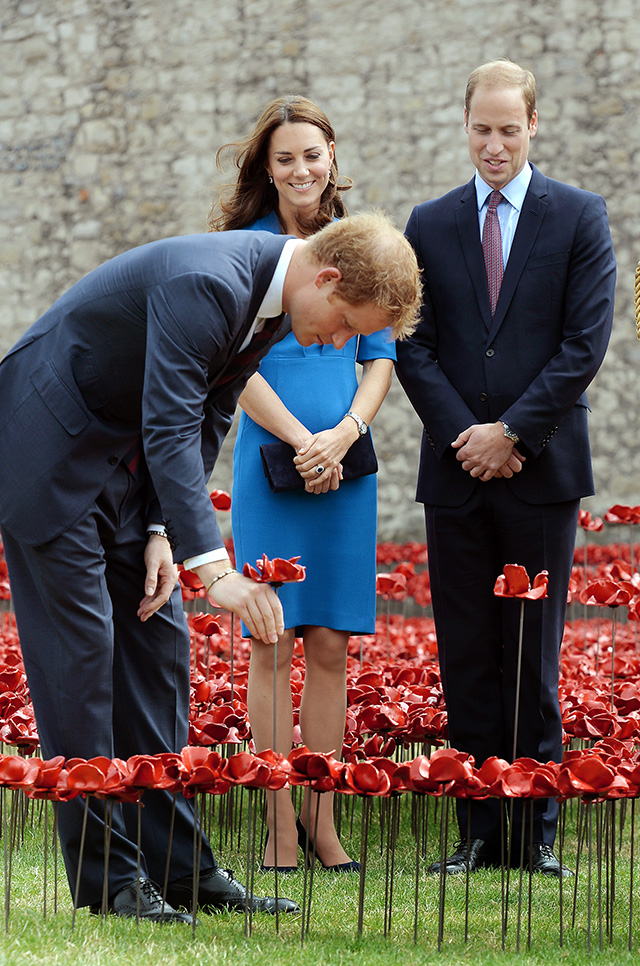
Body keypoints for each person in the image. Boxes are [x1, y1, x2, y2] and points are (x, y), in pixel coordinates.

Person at [0, 211, 420, 920]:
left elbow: (208, 416)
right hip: (47, 446)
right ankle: (109, 884)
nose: (343, 342)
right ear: (326, 277)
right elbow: (168, 420)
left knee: (158, 648)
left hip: (123, 464)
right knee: (84, 654)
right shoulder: (209, 282)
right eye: (347, 321)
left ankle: (182, 869)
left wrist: (164, 530)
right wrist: (216, 571)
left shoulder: (274, 301)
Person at [396, 59, 616, 877]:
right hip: (456, 474)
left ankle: (537, 829)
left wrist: (513, 434)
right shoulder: (429, 222)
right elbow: (411, 345)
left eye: (509, 129)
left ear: (534, 126)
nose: (495, 144)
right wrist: (466, 435)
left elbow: (585, 344)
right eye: (482, 129)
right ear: (465, 125)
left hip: (542, 469)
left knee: (535, 647)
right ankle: (479, 828)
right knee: (467, 649)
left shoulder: (581, 218)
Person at [211, 95, 396, 873]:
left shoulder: (360, 247)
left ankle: (324, 823)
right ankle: (278, 822)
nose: (300, 170)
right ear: (267, 166)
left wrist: (346, 432)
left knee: (328, 647)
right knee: (271, 641)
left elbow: (380, 356)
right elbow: (229, 366)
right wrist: (299, 441)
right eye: (284, 157)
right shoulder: (244, 248)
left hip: (345, 471)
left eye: (312, 155)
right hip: (271, 467)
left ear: (331, 157)